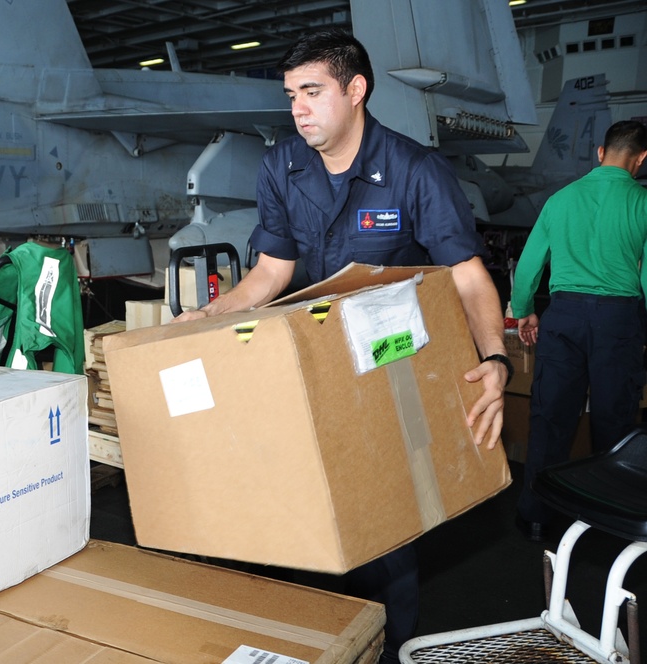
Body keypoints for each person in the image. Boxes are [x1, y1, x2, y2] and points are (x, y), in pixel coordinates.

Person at [172, 28, 511, 663]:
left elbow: (467, 274)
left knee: (384, 530)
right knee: (304, 521)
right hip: (314, 366)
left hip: (388, 370)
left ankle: (395, 651)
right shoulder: (282, 167)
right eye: (290, 94)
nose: (297, 108)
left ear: (356, 90)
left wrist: (495, 357)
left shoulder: (413, 170)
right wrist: (210, 316)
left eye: (312, 91)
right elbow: (273, 270)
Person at [511, 120, 647, 542]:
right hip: (618, 320)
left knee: (551, 418)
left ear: (601, 153)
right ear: (641, 160)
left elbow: (528, 266)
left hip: (563, 316)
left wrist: (525, 311)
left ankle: (536, 517)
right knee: (615, 423)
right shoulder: (642, 202)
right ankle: (610, 521)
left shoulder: (560, 199)